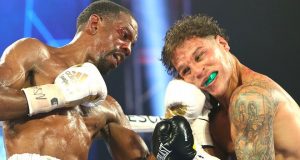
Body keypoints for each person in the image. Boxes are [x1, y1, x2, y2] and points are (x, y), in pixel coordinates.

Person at [0, 1, 150, 159]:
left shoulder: (109, 107)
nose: (128, 49)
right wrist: (58, 94)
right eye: (124, 35)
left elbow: (139, 157)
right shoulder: (35, 54)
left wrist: (167, 148)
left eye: (132, 44)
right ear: (94, 24)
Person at [160, 14, 300, 159]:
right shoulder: (216, 121)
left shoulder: (251, 99)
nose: (197, 72)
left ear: (222, 43)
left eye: (199, 56)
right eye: (186, 71)